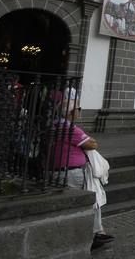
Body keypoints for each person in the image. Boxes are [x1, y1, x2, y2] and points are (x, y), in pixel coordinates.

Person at [51, 107, 114, 251]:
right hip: (73, 173)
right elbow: (92, 144)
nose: (80, 110)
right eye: (78, 108)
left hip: (60, 171)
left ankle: (96, 232)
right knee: (92, 198)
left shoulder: (55, 125)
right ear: (69, 112)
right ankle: (94, 233)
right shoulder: (68, 128)